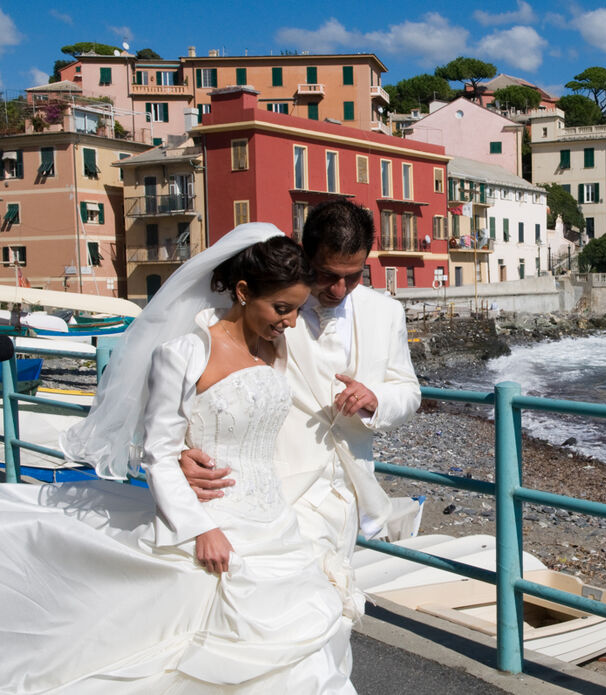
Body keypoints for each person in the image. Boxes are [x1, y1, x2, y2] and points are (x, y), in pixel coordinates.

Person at [0, 224, 356, 693]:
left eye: (296, 310)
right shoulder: (184, 353)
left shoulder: (274, 347)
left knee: (304, 636)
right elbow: (159, 453)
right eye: (282, 309)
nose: (291, 322)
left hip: (276, 521)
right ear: (244, 292)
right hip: (211, 518)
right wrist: (200, 528)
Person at [180, 200, 421, 617]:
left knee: (331, 610)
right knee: (288, 613)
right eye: (328, 276)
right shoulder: (260, 306)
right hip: (275, 490)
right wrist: (179, 452)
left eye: (354, 276)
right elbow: (204, 386)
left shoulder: (387, 312)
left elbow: (409, 390)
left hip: (349, 494)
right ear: (305, 255)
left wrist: (377, 399)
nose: (340, 289)